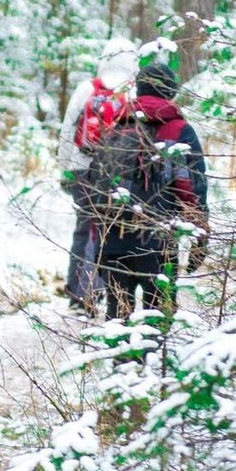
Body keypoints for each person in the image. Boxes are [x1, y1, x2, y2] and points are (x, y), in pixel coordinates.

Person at [93, 58, 209, 317]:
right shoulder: (178, 130)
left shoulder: (116, 128)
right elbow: (190, 187)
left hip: (113, 237)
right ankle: (154, 358)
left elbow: (95, 188)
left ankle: (120, 358)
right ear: (171, 91)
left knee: (118, 317)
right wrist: (200, 233)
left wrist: (98, 242)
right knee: (158, 314)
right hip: (157, 239)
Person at [56, 43, 137, 311]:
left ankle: (80, 293)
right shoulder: (133, 91)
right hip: (117, 171)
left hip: (83, 167)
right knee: (110, 229)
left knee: (85, 229)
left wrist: (65, 169)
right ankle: (105, 289)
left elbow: (68, 131)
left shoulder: (88, 88)